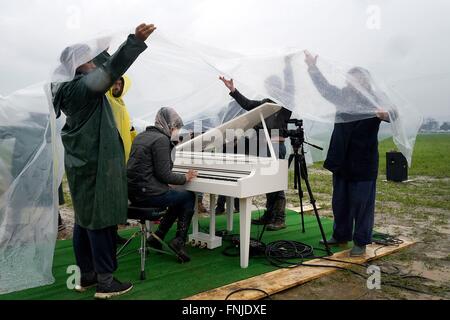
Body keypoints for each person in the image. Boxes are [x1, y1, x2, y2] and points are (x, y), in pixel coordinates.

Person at [52, 23, 156, 299]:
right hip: (97, 164)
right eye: (88, 58)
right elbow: (110, 71)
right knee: (100, 222)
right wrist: (134, 41)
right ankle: (106, 282)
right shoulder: (82, 89)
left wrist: (102, 45)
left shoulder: (68, 88)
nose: (93, 62)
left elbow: (102, 66)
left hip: (82, 165)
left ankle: (86, 276)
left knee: (85, 221)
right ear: (78, 65)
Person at [304, 50, 390, 257]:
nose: (355, 82)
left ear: (366, 82)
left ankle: (361, 241)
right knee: (340, 202)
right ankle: (340, 234)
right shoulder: (342, 97)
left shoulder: (375, 99)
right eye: (352, 79)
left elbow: (394, 113)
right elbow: (325, 89)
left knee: (362, 204)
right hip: (341, 159)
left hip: (363, 161)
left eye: (359, 79)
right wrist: (313, 68)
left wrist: (385, 114)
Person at [218, 56, 294, 231]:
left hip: (275, 146)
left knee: (276, 181)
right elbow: (247, 104)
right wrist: (233, 90)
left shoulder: (285, 104)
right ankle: (269, 215)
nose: (270, 89)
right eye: (269, 87)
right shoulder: (264, 104)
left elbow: (290, 87)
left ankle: (279, 218)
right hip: (261, 147)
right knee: (268, 181)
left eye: (273, 86)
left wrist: (287, 66)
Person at [127, 107, 198, 263]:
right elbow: (164, 174)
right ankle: (179, 240)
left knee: (176, 196)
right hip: (148, 195)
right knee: (188, 196)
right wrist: (185, 177)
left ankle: (158, 236)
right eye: (176, 128)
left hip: (134, 193)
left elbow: (146, 169)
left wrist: (168, 185)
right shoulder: (161, 140)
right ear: (169, 126)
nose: (177, 132)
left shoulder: (141, 136)